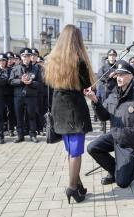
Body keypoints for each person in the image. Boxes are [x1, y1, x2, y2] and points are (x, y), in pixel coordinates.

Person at [44, 24, 95, 203]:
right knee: (76, 152)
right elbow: (86, 85)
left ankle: (78, 185)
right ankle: (72, 188)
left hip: (59, 109)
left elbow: (49, 86)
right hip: (74, 110)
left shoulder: (52, 60)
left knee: (70, 150)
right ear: (76, 40)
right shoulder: (78, 61)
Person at [86, 60, 134, 188]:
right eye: (117, 75)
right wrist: (95, 101)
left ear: (130, 76)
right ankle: (115, 172)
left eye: (122, 75)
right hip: (115, 136)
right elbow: (103, 117)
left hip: (130, 142)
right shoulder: (113, 96)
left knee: (122, 183)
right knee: (93, 148)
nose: (119, 78)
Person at [9, 48, 42, 143]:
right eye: (24, 56)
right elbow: (10, 81)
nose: (26, 58)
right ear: (21, 57)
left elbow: (39, 83)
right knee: (19, 116)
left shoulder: (36, 69)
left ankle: (33, 135)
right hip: (18, 96)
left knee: (31, 116)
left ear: (31, 57)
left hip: (31, 96)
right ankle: (20, 135)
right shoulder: (15, 68)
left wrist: (31, 83)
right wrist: (21, 81)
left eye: (28, 56)